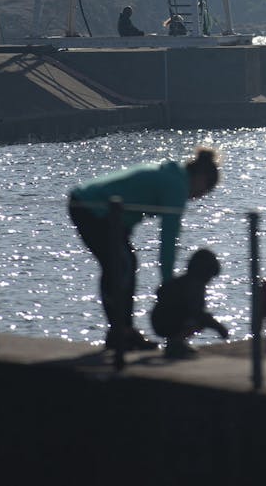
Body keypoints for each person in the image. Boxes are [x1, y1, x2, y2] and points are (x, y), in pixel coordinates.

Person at [67, 146, 220, 351]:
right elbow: (168, 239)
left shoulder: (172, 174)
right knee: (120, 264)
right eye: (207, 189)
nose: (201, 196)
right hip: (91, 207)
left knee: (124, 264)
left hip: (101, 209)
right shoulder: (176, 186)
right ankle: (120, 333)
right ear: (201, 177)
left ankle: (123, 331)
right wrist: (167, 284)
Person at [150, 248, 229, 358]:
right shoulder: (195, 286)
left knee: (200, 318)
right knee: (203, 319)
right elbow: (197, 313)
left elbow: (161, 291)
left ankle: (175, 342)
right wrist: (219, 327)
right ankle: (175, 343)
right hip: (167, 322)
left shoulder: (183, 281)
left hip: (157, 320)